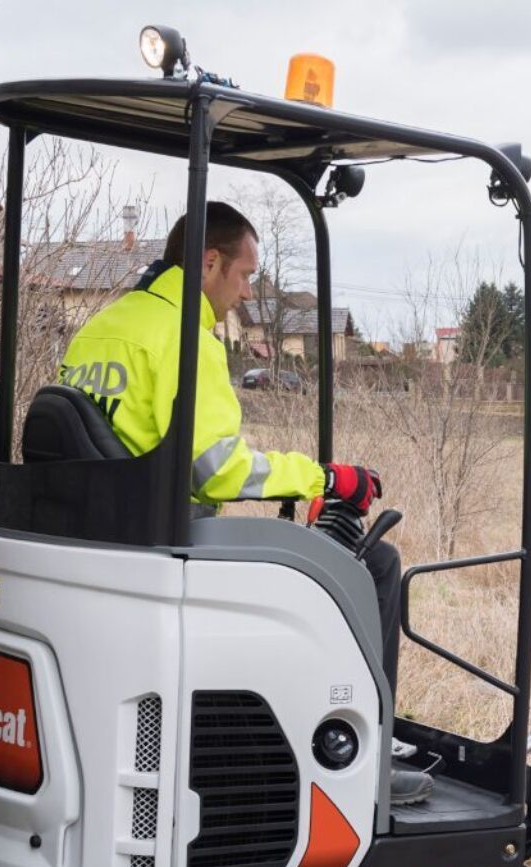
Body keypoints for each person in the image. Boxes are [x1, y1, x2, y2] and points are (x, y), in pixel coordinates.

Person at [57, 201, 429, 804]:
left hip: (97, 537)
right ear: (210, 263)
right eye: (246, 274)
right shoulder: (186, 339)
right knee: (374, 566)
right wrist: (327, 481)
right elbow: (218, 472)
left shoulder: (105, 324)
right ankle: (364, 760)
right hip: (164, 546)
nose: (247, 292)